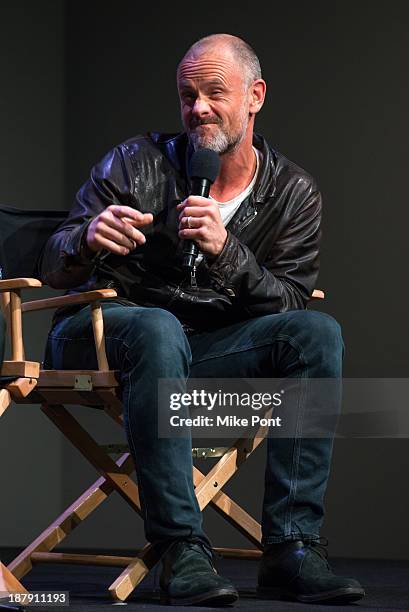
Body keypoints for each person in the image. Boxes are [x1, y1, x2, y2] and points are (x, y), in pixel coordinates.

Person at [39, 34, 365, 606]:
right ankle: (180, 547)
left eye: (215, 93)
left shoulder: (294, 193)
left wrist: (228, 252)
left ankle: (291, 548)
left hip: (206, 348)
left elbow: (289, 299)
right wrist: (87, 238)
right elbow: (50, 261)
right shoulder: (134, 162)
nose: (199, 109)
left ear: (255, 96)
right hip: (102, 335)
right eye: (188, 96)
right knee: (156, 328)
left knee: (318, 333)